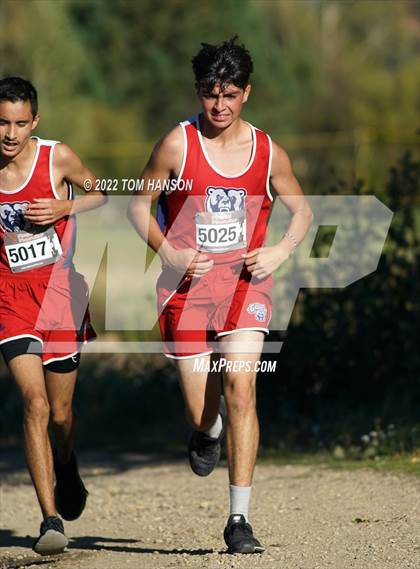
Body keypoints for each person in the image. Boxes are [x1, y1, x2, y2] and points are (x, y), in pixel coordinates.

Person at [129, 38, 313, 554]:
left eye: (230, 94)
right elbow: (138, 206)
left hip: (246, 284)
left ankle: (239, 520)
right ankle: (206, 431)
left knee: (241, 386)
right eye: (211, 94)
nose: (220, 105)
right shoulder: (176, 144)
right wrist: (168, 252)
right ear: (198, 92)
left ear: (246, 93)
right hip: (187, 289)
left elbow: (302, 212)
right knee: (199, 413)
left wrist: (280, 252)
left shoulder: (268, 151)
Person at [0, 77, 106, 555]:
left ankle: (67, 462)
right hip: (10, 298)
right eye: (2, 122)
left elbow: (100, 193)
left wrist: (65, 204)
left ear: (35, 122)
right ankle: (50, 519)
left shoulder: (55, 157)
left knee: (61, 414)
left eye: (20, 123)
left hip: (60, 294)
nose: (10, 133)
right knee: (35, 404)